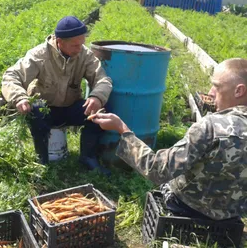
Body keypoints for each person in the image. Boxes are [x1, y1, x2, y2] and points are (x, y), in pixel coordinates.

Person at [91, 58, 247, 220]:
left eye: (216, 86)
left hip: (188, 209)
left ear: (238, 91)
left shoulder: (211, 127)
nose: (210, 92)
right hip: (231, 215)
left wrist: (122, 130)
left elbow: (158, 170)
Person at [1, 16, 113, 175]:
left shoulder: (84, 55)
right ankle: (42, 160)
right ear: (59, 41)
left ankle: (88, 156)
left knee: (101, 110)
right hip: (45, 109)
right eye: (75, 45)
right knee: (36, 112)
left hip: (70, 107)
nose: (79, 48)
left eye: (82, 43)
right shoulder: (39, 55)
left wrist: (97, 97)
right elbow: (11, 76)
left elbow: (103, 79)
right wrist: (19, 97)